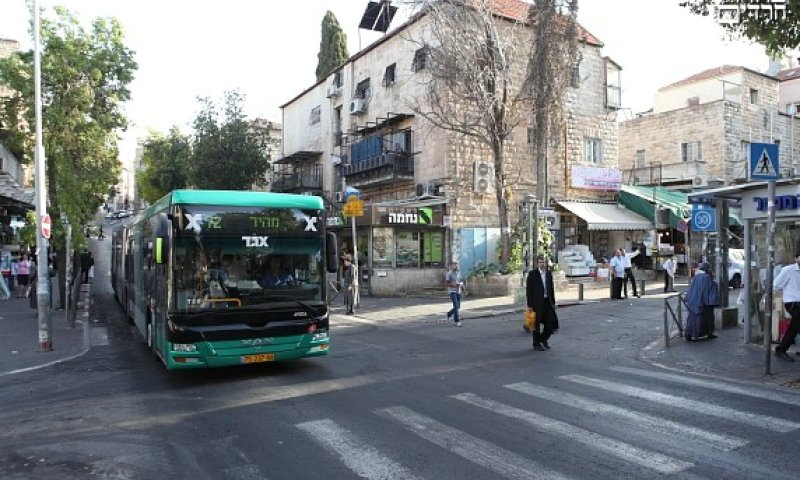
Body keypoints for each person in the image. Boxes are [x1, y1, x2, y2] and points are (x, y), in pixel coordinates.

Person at [773, 252, 800, 362]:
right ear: (796, 258)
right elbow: (776, 285)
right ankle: (780, 349)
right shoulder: (788, 270)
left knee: (796, 325)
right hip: (793, 302)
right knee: (795, 324)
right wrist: (788, 292)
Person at [527, 256, 558, 351]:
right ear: (537, 263)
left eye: (544, 262)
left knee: (551, 323)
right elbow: (528, 290)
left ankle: (543, 339)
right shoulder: (532, 274)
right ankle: (536, 344)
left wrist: (553, 302)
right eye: (540, 262)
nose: (542, 264)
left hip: (547, 302)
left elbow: (551, 289)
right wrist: (530, 305)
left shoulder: (548, 274)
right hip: (536, 303)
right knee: (536, 324)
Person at [684, 262, 720, 341]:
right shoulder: (708, 277)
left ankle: (689, 333)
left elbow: (692, 288)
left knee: (692, 318)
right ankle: (708, 333)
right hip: (704, 302)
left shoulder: (697, 277)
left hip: (694, 300)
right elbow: (710, 289)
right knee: (708, 318)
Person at [445, 261, 464, 327]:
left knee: (458, 306)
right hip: (452, 291)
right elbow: (446, 284)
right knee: (456, 306)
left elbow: (461, 280)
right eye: (455, 265)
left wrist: (461, 284)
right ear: (452, 266)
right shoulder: (449, 274)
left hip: (458, 291)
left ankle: (449, 314)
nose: (456, 266)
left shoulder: (459, 272)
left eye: (457, 265)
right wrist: (452, 285)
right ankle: (457, 321)